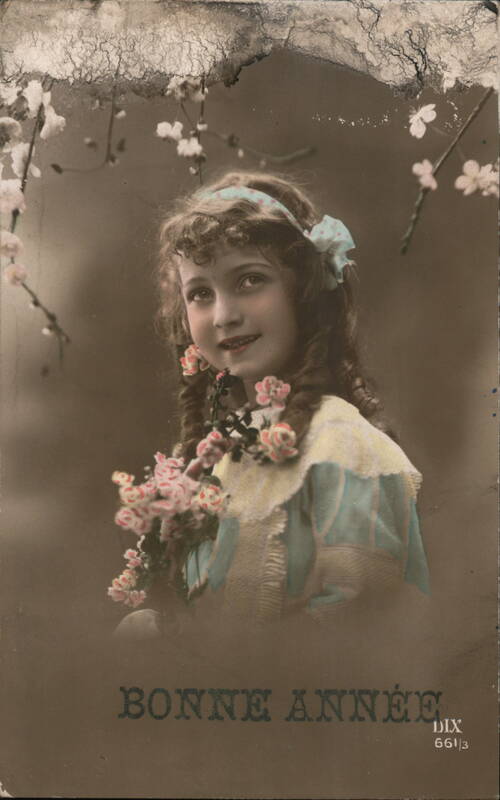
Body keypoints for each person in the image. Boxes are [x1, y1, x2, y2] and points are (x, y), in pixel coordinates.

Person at [114, 170, 429, 639]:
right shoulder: (215, 459)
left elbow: (362, 636)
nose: (224, 315)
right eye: (200, 293)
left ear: (302, 293)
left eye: (249, 281)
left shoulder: (344, 447)